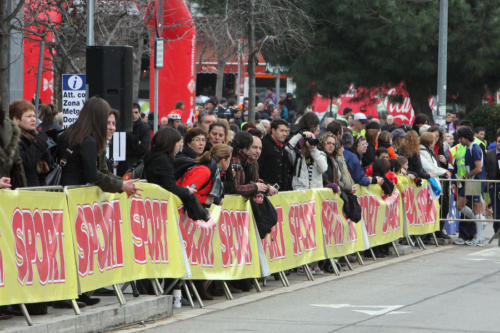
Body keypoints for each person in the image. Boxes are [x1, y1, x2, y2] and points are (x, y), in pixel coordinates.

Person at [144, 127, 209, 221]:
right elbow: (169, 186)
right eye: (178, 145)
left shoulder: (156, 157)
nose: (179, 148)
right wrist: (187, 191)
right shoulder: (162, 160)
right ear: (171, 144)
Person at [9, 100, 52, 186]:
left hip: (38, 187)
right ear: (16, 119)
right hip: (22, 189)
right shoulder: (12, 138)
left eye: (34, 116)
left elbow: (50, 163)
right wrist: (38, 142)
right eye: (29, 116)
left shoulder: (35, 136)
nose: (33, 119)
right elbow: (26, 164)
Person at [455, 126, 486, 245]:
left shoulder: (475, 149)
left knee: (476, 208)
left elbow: (478, 168)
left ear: (465, 137)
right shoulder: (469, 148)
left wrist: (465, 176)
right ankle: (480, 221)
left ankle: (479, 237)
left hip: (475, 181)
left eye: (460, 138)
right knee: (459, 205)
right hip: (470, 181)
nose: (459, 141)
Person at [286, 112, 328, 190]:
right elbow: (288, 148)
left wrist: (313, 149)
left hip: (315, 194)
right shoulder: (298, 153)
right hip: (300, 194)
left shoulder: (319, 151)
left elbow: (323, 168)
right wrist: (300, 135)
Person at [118, 102, 151, 176]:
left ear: (139, 113)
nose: (133, 115)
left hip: (138, 165)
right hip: (123, 164)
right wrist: (137, 142)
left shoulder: (145, 128)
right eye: (131, 112)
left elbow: (143, 148)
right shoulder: (122, 127)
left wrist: (130, 136)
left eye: (136, 112)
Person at [259, 119, 292, 191]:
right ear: (273, 130)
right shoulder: (263, 145)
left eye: (286, 131)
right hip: (266, 191)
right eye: (282, 131)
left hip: (282, 192)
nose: (285, 134)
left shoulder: (283, 146)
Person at [486, 129, 500, 233]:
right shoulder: (489, 154)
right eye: (499, 141)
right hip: (494, 185)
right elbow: (486, 170)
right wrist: (488, 185)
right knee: (496, 208)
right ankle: (497, 229)